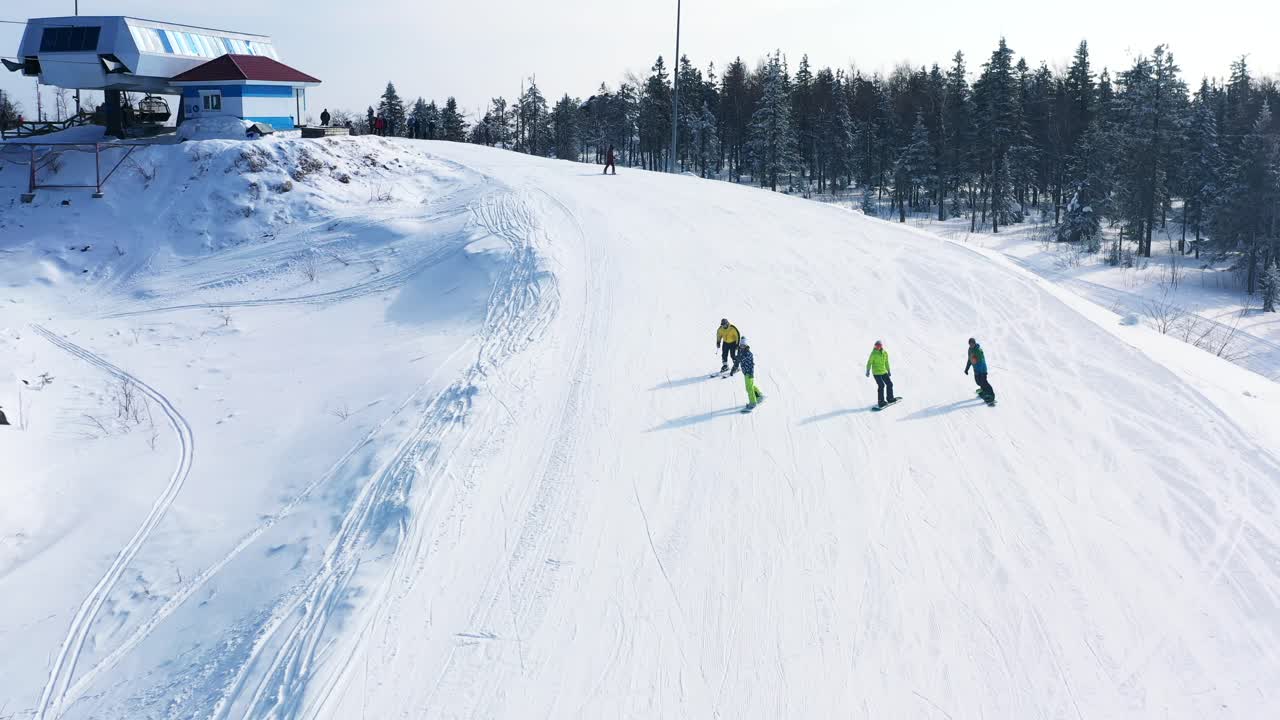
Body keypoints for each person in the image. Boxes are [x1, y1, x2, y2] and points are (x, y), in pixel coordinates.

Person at [865, 339, 896, 407]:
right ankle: (881, 401)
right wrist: (868, 370)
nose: (878, 347)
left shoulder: (885, 353)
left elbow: (886, 362)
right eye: (876, 346)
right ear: (875, 346)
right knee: (881, 385)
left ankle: (890, 398)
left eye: (879, 346)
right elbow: (869, 362)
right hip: (876, 373)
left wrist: (888, 370)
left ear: (881, 346)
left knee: (889, 384)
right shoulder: (873, 353)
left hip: (883, 371)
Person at [965, 337, 995, 403]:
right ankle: (983, 390)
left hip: (982, 369)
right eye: (970, 344)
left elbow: (981, 362)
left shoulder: (978, 350)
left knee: (983, 381)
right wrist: (967, 369)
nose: (971, 345)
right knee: (978, 382)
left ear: (975, 343)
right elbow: (969, 360)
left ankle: (991, 395)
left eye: (972, 344)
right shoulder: (970, 350)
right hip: (976, 370)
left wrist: (981, 373)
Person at [739, 337, 764, 410]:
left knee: (749, 388)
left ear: (746, 346)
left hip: (749, 373)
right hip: (746, 373)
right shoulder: (742, 352)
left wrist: (738, 359)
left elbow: (744, 360)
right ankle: (759, 395)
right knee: (750, 386)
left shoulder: (748, 353)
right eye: (741, 345)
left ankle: (753, 402)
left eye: (743, 345)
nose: (742, 346)